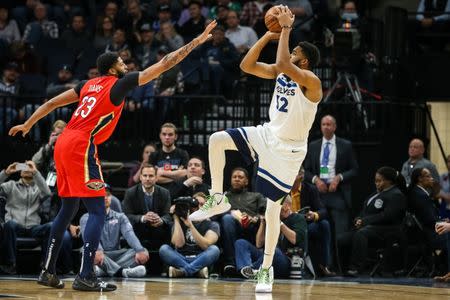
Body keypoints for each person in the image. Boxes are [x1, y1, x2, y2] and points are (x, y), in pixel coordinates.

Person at [9, 20, 217, 292]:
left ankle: (47, 270)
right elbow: (164, 64)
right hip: (82, 144)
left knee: (68, 208)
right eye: (121, 61)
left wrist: (29, 124)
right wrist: (197, 42)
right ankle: (86, 275)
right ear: (112, 69)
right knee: (97, 209)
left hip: (64, 143)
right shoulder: (118, 84)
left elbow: (50, 103)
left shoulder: (87, 84)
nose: (126, 65)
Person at [190, 6, 322, 293]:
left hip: (289, 150)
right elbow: (246, 66)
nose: (291, 52)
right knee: (216, 139)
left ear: (305, 59)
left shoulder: (313, 82)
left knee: (273, 210)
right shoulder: (282, 71)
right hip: (267, 133)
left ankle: (266, 269)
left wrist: (286, 29)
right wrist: (268, 35)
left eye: (295, 50)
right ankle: (217, 196)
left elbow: (286, 65)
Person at [0, 161, 71, 275]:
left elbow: (47, 192)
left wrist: (36, 172)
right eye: (24, 167)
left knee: (51, 226)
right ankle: (10, 264)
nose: (27, 169)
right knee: (9, 224)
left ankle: (45, 265)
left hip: (34, 228)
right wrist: (6, 173)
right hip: (15, 226)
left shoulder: (38, 189)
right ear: (19, 171)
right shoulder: (11, 185)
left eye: (29, 167)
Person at [338, 167, 407, 276]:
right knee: (341, 239)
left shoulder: (396, 195)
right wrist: (358, 219)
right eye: (375, 180)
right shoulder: (376, 193)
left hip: (386, 230)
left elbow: (387, 216)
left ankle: (356, 268)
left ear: (388, 181)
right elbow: (364, 211)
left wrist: (365, 221)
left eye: (379, 181)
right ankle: (342, 269)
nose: (376, 183)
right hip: (369, 227)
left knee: (361, 234)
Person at [303, 115, 358, 240]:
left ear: (334, 127)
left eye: (329, 124)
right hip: (318, 194)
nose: (326, 127)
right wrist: (316, 180)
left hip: (338, 193)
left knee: (340, 235)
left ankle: (338, 258)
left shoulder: (345, 145)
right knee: (317, 229)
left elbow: (354, 170)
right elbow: (305, 170)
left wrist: (339, 178)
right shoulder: (313, 146)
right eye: (323, 124)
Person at [80, 188, 149, 278]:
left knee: (142, 251)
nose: (105, 197)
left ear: (111, 197)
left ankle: (102, 271)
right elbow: (88, 238)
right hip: (99, 254)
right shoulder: (86, 217)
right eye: (102, 195)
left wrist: (139, 250)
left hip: (116, 254)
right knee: (88, 251)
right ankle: (122, 272)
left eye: (108, 195)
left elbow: (129, 234)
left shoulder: (120, 217)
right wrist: (98, 250)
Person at [235, 195, 307, 279]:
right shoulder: (270, 218)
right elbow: (259, 244)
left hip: (285, 260)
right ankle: (247, 270)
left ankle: (252, 270)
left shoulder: (298, 218)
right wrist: (263, 222)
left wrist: (278, 222)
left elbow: (294, 239)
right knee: (241, 243)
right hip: (267, 256)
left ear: (287, 206)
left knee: (274, 251)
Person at [159, 196, 220, 278]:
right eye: (195, 205)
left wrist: (190, 226)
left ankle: (183, 272)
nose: (198, 208)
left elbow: (205, 245)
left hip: (201, 257)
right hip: (181, 257)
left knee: (214, 250)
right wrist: (176, 218)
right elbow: (178, 244)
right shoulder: (180, 222)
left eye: (202, 204)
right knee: (164, 249)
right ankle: (196, 271)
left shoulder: (212, 224)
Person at [219, 167, 266, 275]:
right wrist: (232, 213)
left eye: (240, 177)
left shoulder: (256, 196)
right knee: (227, 218)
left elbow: (265, 212)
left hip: (252, 229)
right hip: (232, 228)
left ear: (246, 181)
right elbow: (214, 215)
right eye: (234, 177)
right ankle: (230, 263)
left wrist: (255, 218)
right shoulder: (224, 196)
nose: (236, 179)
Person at [291, 168, 335, 277]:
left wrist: (314, 215)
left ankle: (324, 265)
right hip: (287, 225)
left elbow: (323, 211)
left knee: (324, 224)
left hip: (305, 224)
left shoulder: (310, 189)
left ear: (301, 176)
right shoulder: (282, 189)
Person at [122, 164, 172, 251]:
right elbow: (127, 216)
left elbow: (167, 215)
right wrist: (143, 218)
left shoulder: (165, 193)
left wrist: (161, 220)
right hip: (138, 234)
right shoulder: (130, 193)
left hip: (159, 235)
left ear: (156, 178)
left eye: (151, 176)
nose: (147, 179)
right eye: (145, 176)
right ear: (140, 177)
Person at [150, 123, 189, 190]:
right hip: (158, 191)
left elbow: (185, 174)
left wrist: (162, 173)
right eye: (164, 134)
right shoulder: (154, 155)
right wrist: (176, 177)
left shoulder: (183, 154)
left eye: (170, 134)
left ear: (175, 136)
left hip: (179, 190)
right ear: (160, 136)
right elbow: (153, 177)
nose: (167, 137)